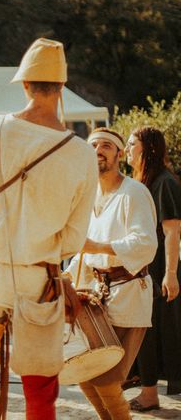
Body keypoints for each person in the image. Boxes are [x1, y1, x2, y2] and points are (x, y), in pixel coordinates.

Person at [0, 38, 98, 420]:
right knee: (40, 389)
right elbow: (74, 238)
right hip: (36, 282)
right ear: (62, 88)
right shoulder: (81, 153)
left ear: (24, 85)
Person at [64, 128, 157, 420]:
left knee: (106, 380)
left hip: (128, 293)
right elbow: (82, 250)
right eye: (92, 146)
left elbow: (145, 244)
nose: (98, 151)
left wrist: (97, 245)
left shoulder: (134, 192)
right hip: (96, 296)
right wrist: (66, 277)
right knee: (83, 371)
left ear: (119, 154)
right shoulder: (87, 195)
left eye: (106, 146)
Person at [126, 127, 181, 412]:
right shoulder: (143, 181)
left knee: (151, 330)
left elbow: (173, 232)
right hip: (145, 266)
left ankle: (150, 394)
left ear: (147, 148)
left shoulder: (164, 183)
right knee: (143, 328)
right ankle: (139, 378)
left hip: (160, 268)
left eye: (132, 144)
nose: (127, 149)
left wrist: (170, 275)